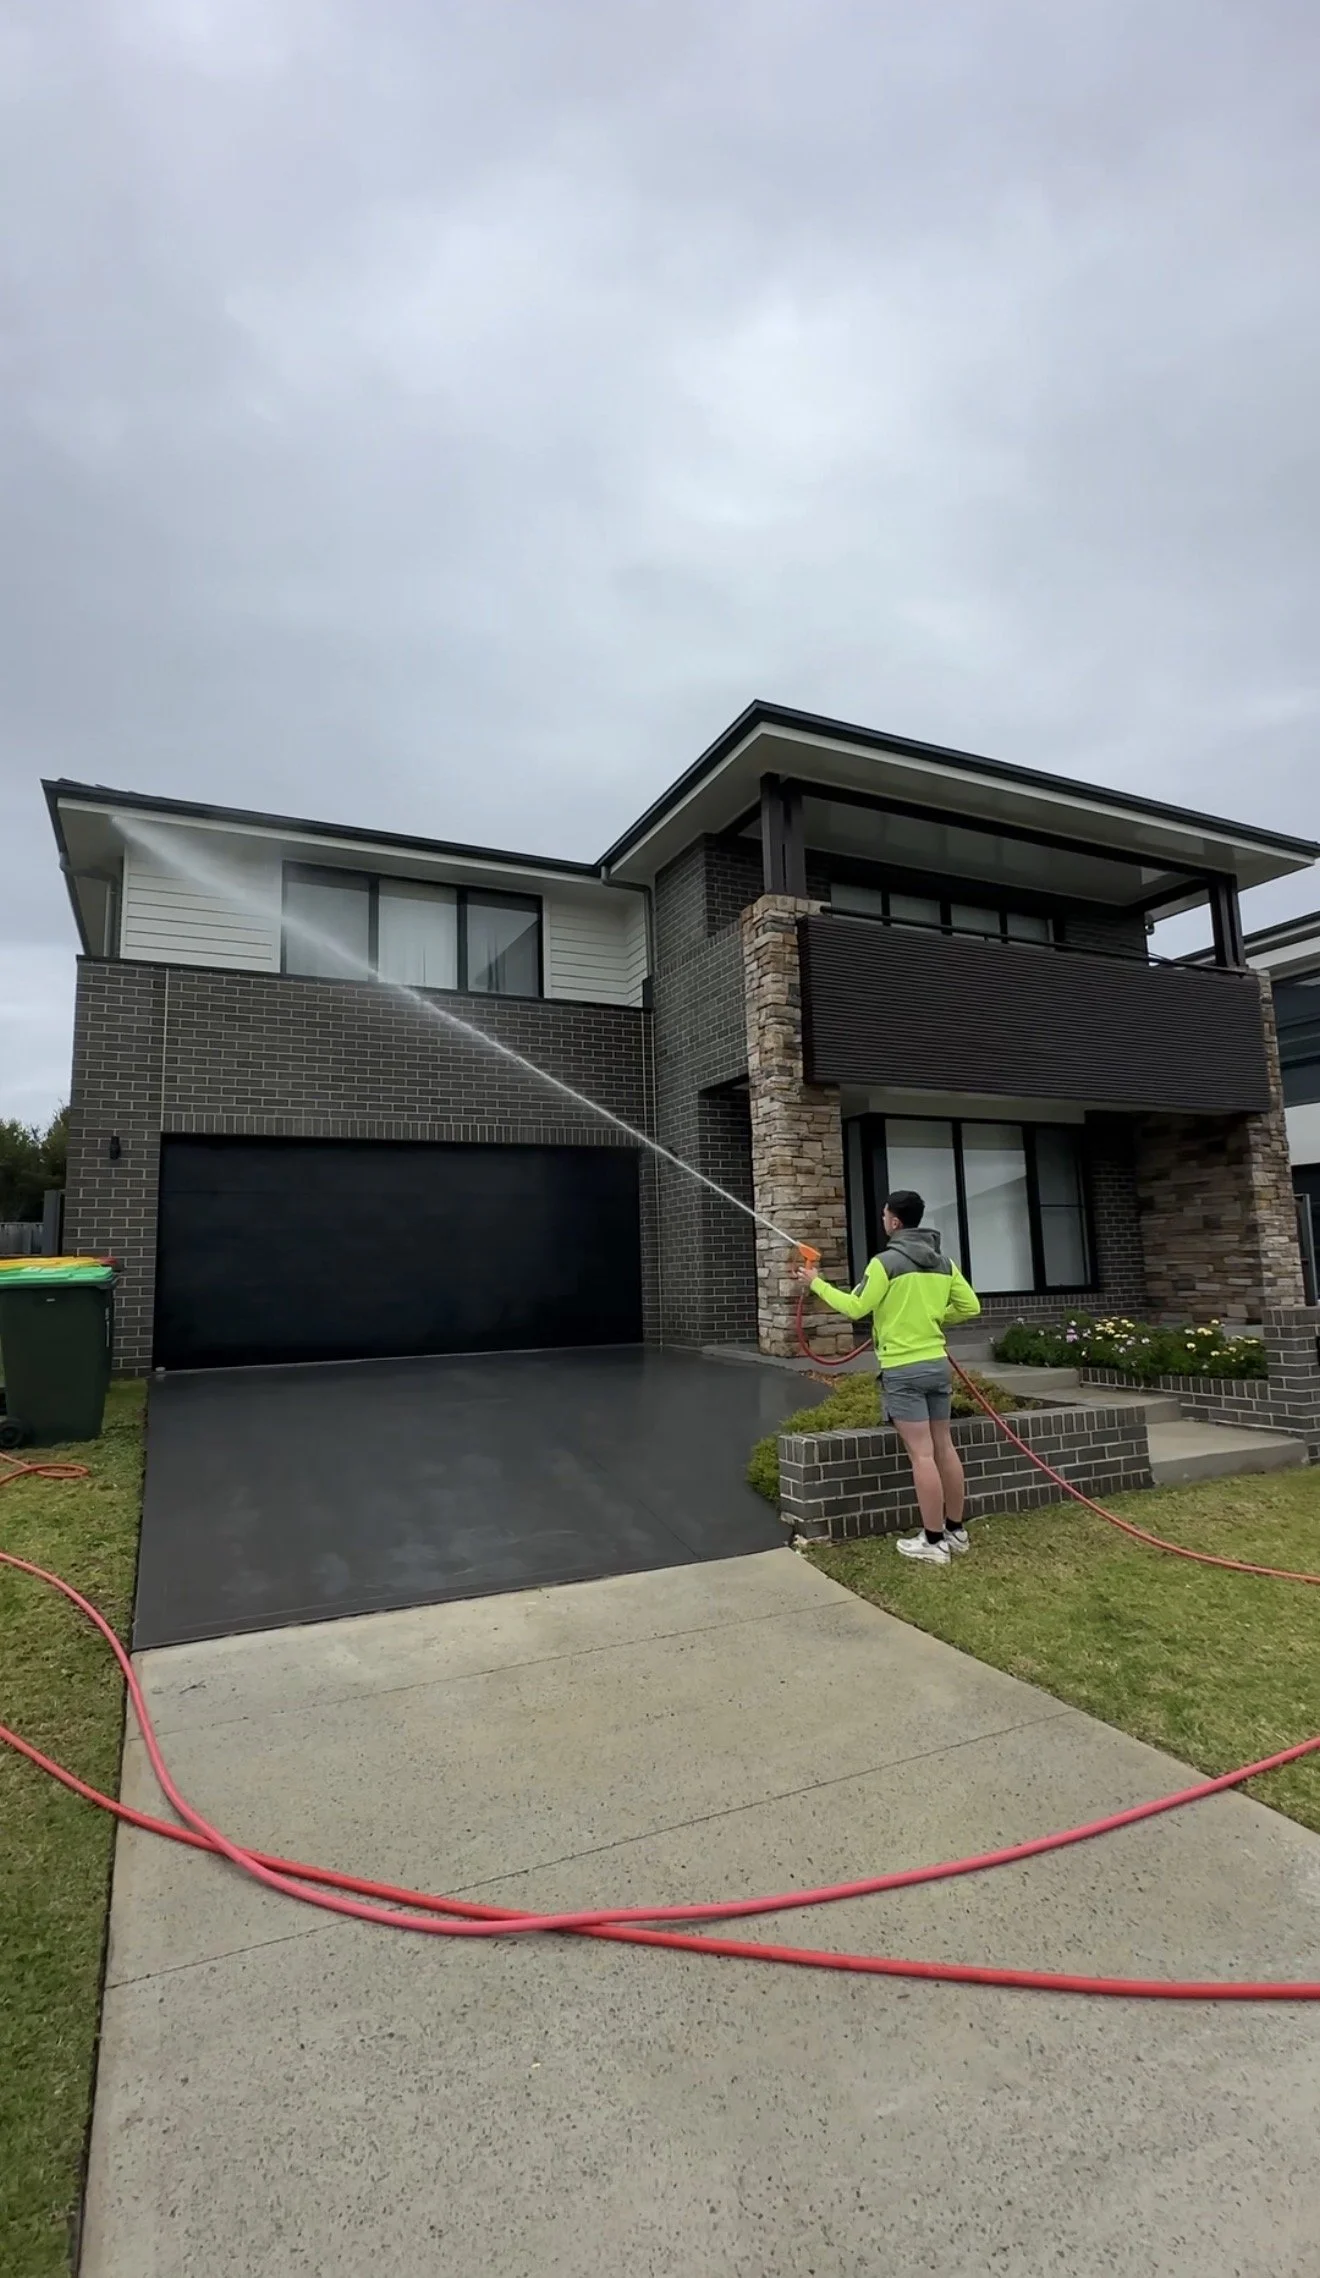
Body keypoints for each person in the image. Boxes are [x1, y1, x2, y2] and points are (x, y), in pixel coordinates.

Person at [794, 1191, 981, 1566]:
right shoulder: (943, 1262)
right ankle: (956, 1531)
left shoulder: (885, 1263)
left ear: (895, 1222)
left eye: (884, 1216)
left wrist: (816, 1283)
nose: (883, 1221)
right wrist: (932, 1320)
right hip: (935, 1364)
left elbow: (856, 1307)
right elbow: (970, 1306)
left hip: (903, 1369)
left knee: (922, 1454)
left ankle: (932, 1542)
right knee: (944, 1447)